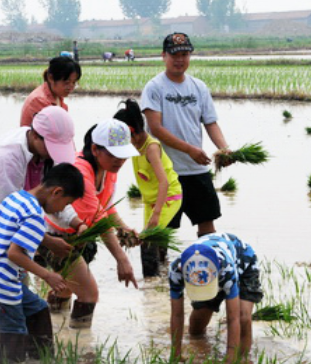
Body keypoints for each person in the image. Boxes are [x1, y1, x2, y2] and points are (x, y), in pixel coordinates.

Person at [0, 106, 77, 360]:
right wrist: (49, 242)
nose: (53, 154)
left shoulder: (42, 156)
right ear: (36, 136)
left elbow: (52, 193)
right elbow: (15, 213)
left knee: (22, 303)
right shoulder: (8, 157)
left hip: (4, 234)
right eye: (50, 146)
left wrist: (76, 221)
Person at [0, 164, 84, 364]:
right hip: (0, 284)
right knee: (14, 332)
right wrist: (47, 275)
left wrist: (47, 241)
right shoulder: (35, 216)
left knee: (38, 308)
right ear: (57, 192)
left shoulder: (14, 199)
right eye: (66, 203)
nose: (62, 210)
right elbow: (15, 253)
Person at [44, 119, 139, 328]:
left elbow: (103, 206)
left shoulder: (107, 170)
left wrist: (122, 227)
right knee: (89, 294)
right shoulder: (79, 173)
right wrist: (122, 259)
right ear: (95, 149)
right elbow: (98, 219)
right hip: (54, 238)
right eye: (114, 154)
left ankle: (53, 330)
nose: (120, 161)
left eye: (123, 155)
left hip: (76, 235)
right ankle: (81, 348)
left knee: (66, 287)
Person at [142, 33, 231, 237]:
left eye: (184, 54)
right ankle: (159, 269)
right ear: (164, 56)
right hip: (166, 172)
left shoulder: (199, 87)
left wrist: (224, 149)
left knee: (207, 224)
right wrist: (189, 149)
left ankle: (207, 265)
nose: (180, 60)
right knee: (162, 231)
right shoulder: (155, 88)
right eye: (175, 55)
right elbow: (156, 128)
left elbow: (210, 122)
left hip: (196, 169)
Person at [168, 232, 263, 364]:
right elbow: (176, 315)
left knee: (243, 317)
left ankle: (242, 360)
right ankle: (201, 342)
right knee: (196, 327)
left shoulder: (227, 269)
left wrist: (229, 362)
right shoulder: (176, 270)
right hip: (207, 271)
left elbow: (234, 317)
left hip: (243, 263)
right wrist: (176, 354)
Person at [114, 99, 182, 277]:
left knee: (147, 240)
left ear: (131, 132)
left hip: (168, 197)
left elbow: (164, 182)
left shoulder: (151, 148)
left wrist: (157, 213)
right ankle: (163, 277)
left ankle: (150, 282)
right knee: (156, 239)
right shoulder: (135, 146)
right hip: (151, 200)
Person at [20, 56, 81, 189]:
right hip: (35, 163)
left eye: (74, 82)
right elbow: (53, 138)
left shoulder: (58, 99)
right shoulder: (40, 101)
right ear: (51, 78)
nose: (70, 87)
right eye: (66, 82)